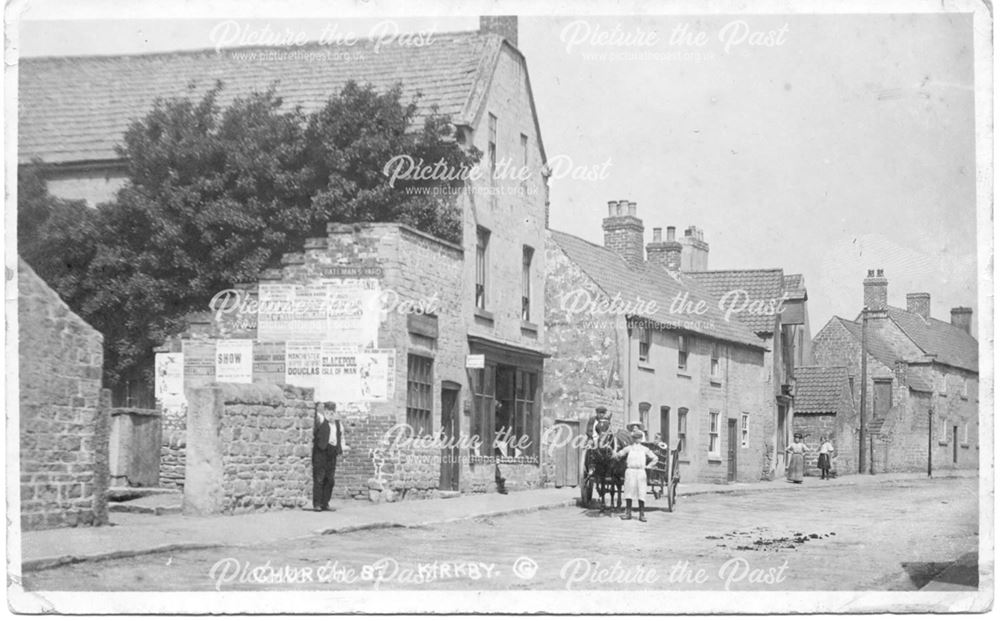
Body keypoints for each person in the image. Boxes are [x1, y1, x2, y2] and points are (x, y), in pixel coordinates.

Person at [615, 427, 658, 522]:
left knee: (641, 492)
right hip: (630, 471)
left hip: (641, 472)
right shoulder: (628, 448)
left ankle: (642, 514)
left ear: (641, 439)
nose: (636, 440)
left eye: (638, 438)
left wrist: (649, 466)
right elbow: (618, 454)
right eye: (634, 438)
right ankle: (628, 513)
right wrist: (615, 453)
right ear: (632, 439)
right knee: (628, 492)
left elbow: (655, 458)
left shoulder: (645, 449)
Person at [313, 402, 347, 511]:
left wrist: (341, 449)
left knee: (330, 479)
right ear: (325, 411)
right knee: (319, 478)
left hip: (332, 452)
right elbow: (315, 415)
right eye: (328, 411)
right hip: (321, 451)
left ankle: (325, 503)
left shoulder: (338, 424)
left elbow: (341, 437)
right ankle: (317, 504)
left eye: (333, 411)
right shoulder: (321, 420)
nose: (331, 414)